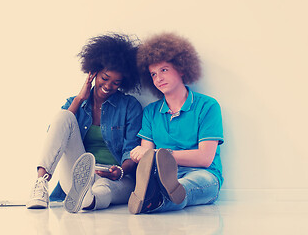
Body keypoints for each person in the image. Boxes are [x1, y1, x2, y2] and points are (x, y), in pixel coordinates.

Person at [26, 33, 142, 213]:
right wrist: (80, 98)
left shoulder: (129, 106)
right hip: (80, 174)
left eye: (116, 82)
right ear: (94, 72)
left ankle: (88, 200)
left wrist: (120, 171)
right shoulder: (76, 102)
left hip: (116, 178)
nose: (109, 85)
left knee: (104, 189)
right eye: (104, 78)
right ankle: (41, 184)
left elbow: (131, 149)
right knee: (63, 116)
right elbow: (56, 135)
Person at [128, 32, 224, 214]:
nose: (158, 78)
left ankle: (155, 199)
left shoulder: (207, 106)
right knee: (160, 181)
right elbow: (147, 157)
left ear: (181, 68)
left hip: (202, 174)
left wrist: (161, 154)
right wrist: (141, 155)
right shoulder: (150, 112)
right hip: (161, 175)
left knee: (187, 186)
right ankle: (156, 197)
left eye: (164, 70)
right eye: (153, 74)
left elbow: (204, 158)